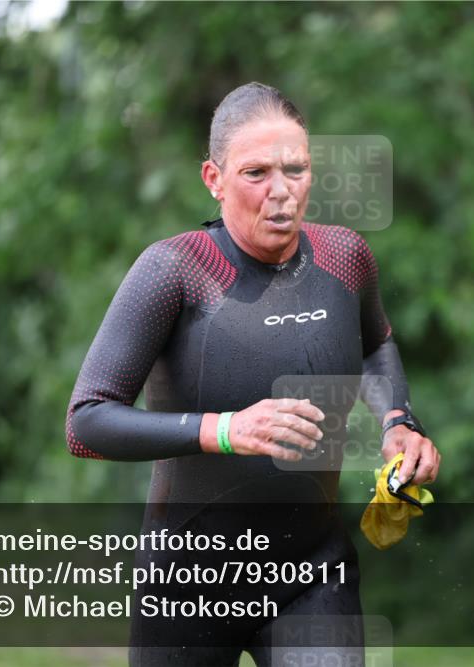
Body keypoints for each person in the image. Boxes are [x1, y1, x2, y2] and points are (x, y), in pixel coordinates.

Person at [65, 82, 440, 667]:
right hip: (185, 581)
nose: (282, 193)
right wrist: (223, 431)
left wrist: (398, 422)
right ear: (213, 179)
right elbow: (85, 423)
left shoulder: (344, 258)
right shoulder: (175, 270)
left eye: (296, 170)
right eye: (256, 173)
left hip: (312, 573)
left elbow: (376, 347)